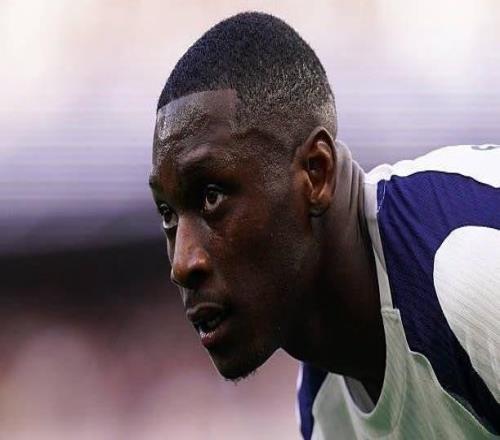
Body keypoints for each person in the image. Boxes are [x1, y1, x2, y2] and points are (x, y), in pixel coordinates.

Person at [148, 12, 500, 439]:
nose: (182, 263)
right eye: (167, 214)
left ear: (316, 173)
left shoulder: (470, 263)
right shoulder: (325, 412)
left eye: (211, 197)